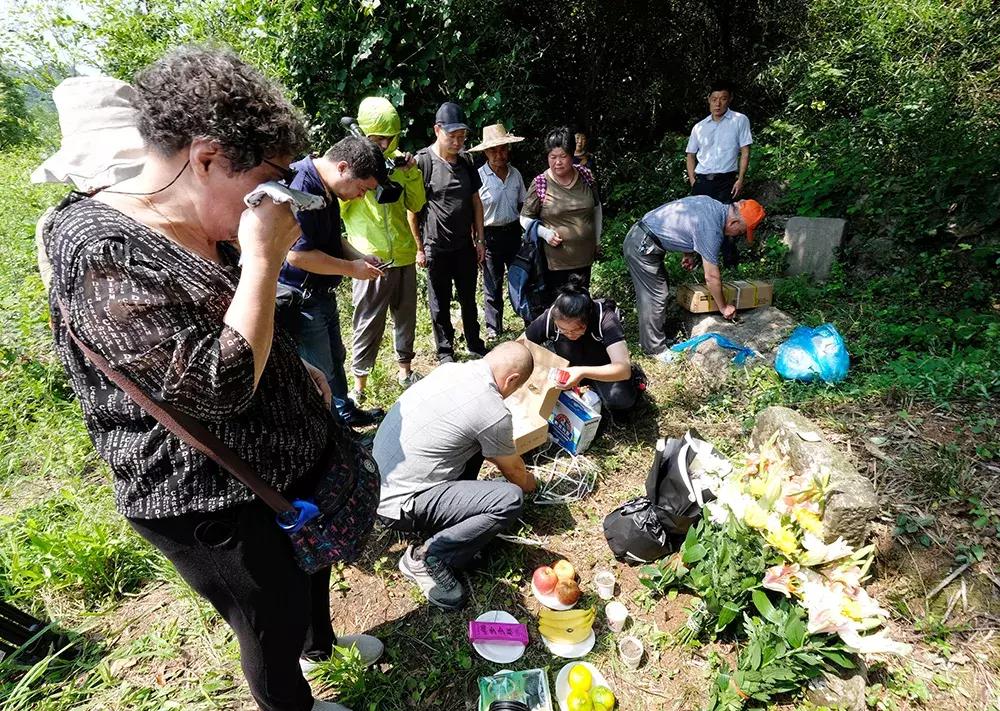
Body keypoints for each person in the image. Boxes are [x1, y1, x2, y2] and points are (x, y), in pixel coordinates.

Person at [42, 47, 379, 711]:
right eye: (270, 179)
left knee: (307, 574)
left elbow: (229, 325)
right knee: (267, 616)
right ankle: (295, 701)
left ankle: (323, 645)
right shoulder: (98, 248)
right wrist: (263, 258)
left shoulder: (205, 216)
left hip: (279, 471)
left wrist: (292, 360)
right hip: (207, 500)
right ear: (204, 159)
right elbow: (217, 388)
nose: (279, 199)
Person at [373, 341, 536, 610]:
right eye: (515, 389)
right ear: (513, 379)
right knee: (510, 499)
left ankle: (445, 524)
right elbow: (515, 472)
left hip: (378, 482)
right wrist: (532, 483)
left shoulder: (450, 370)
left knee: (477, 445)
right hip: (398, 505)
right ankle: (427, 557)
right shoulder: (492, 410)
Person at [276, 135, 389, 428]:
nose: (361, 196)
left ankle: (344, 411)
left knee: (335, 357)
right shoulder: (302, 186)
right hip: (301, 295)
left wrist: (360, 257)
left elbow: (329, 238)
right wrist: (352, 269)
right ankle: (335, 435)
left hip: (322, 291)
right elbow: (297, 256)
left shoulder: (327, 188)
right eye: (362, 188)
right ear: (342, 167)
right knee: (321, 369)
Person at [340, 97, 427, 401]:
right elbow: (336, 205)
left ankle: (405, 369)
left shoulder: (400, 162)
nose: (385, 142)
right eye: (378, 137)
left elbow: (416, 204)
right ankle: (360, 384)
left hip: (402, 254)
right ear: (364, 133)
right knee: (368, 321)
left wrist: (412, 172)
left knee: (406, 318)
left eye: (390, 136)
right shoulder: (351, 165)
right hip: (370, 258)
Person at [624, 195, 765, 360]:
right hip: (641, 245)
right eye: (740, 232)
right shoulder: (712, 228)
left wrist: (688, 253)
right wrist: (724, 307)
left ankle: (655, 338)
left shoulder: (712, 205)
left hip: (644, 238)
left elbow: (686, 221)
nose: (737, 235)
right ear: (733, 223)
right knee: (655, 295)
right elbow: (711, 276)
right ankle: (654, 349)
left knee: (659, 289)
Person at [412, 102, 488, 363]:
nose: (458, 142)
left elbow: (476, 202)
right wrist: (419, 248)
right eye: (452, 136)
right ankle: (445, 351)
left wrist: (479, 239)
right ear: (437, 130)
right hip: (436, 245)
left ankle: (475, 343)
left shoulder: (467, 161)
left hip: (464, 245)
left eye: (462, 137)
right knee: (439, 302)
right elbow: (413, 210)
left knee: (469, 299)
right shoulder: (423, 162)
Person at [525, 276, 640, 416]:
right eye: (562, 329)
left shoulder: (605, 319)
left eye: (576, 329)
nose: (569, 334)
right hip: (566, 367)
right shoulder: (550, 317)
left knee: (620, 400)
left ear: (588, 318)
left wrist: (581, 372)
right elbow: (522, 344)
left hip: (601, 368)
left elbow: (623, 369)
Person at [520, 126, 603, 303]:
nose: (558, 162)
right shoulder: (541, 183)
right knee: (561, 308)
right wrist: (545, 233)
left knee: (581, 306)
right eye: (553, 157)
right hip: (554, 264)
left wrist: (597, 240)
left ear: (572, 155)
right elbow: (524, 218)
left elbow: (597, 208)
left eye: (563, 156)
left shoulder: (586, 176)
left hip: (584, 258)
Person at [469, 123, 527, 340]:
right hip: (489, 236)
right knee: (492, 283)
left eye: (503, 149)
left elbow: (524, 205)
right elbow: (472, 212)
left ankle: (528, 321)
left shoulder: (515, 174)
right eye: (494, 150)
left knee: (520, 279)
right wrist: (477, 242)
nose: (499, 154)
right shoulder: (479, 177)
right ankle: (493, 327)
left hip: (513, 233)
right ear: (485, 152)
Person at [685, 80, 753, 203]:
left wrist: (741, 179)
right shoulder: (699, 127)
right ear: (708, 99)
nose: (718, 104)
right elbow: (690, 155)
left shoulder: (740, 120)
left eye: (723, 99)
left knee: (725, 218)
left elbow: (745, 152)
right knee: (702, 218)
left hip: (727, 181)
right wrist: (692, 180)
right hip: (702, 181)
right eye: (714, 99)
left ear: (730, 99)